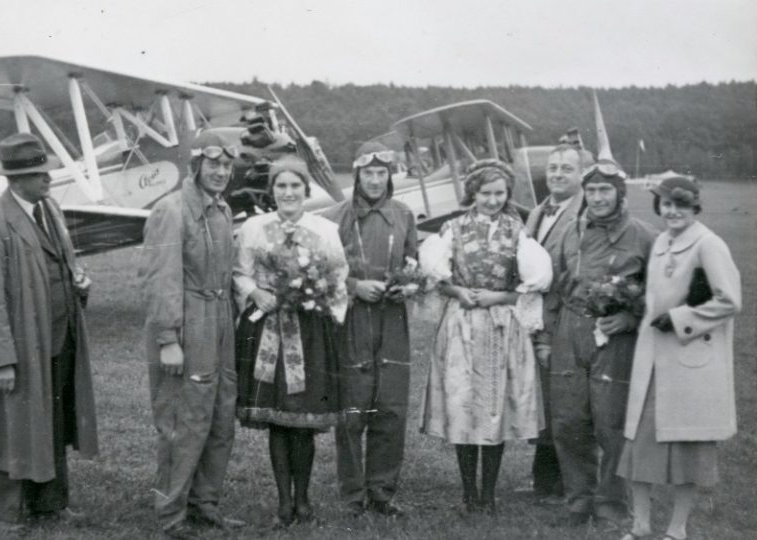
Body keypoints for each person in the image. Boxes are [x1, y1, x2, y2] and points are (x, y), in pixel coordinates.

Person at [0, 133, 98, 528]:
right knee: (14, 426)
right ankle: (10, 511)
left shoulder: (49, 209)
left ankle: (51, 503)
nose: (49, 179)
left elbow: (59, 264)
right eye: (40, 173)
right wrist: (0, 360)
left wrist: (78, 283)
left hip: (60, 340)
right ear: (17, 178)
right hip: (22, 347)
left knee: (54, 421)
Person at [418, 159, 552, 514]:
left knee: (493, 407)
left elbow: (532, 283)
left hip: (500, 324)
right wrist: (457, 291)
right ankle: (468, 493)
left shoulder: (517, 231)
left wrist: (500, 297)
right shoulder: (453, 228)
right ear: (472, 193)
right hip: (461, 322)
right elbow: (434, 276)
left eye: (499, 193)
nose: (492, 200)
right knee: (464, 403)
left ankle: (489, 494)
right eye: (485, 193)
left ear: (508, 194)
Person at [616, 177, 741, 540]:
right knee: (639, 443)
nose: (672, 212)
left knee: (688, 449)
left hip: (690, 362)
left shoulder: (708, 244)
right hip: (652, 359)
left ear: (695, 207)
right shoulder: (661, 243)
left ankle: (677, 528)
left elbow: (730, 300)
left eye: (680, 205)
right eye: (666, 205)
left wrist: (681, 319)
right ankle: (639, 526)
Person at [234, 156, 348, 526]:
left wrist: (322, 304)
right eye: (281, 186)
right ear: (272, 191)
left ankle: (304, 499)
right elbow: (240, 273)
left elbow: (338, 276)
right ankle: (285, 501)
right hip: (267, 327)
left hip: (310, 332)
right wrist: (254, 293)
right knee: (279, 421)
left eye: (294, 186)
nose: (288, 193)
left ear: (305, 189)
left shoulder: (324, 230)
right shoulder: (253, 228)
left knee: (302, 418)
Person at [141, 131, 245, 539]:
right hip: (188, 320)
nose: (221, 172)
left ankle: (206, 504)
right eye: (214, 164)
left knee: (220, 414)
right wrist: (168, 340)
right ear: (196, 165)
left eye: (227, 166)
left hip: (221, 320)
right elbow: (159, 279)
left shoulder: (222, 211)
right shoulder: (171, 209)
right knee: (184, 419)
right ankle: (171, 512)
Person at [548, 159, 656, 527]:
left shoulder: (644, 235)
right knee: (567, 420)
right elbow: (553, 284)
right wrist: (546, 337)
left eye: (605, 190)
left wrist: (630, 318)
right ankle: (578, 501)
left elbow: (663, 295)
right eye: (591, 190)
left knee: (610, 423)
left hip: (615, 337)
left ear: (620, 192)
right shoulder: (570, 231)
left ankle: (611, 504)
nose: (596, 198)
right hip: (569, 329)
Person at [325, 142, 417, 517]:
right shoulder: (337, 216)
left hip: (392, 318)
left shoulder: (404, 214)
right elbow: (324, 272)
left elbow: (415, 263)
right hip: (352, 320)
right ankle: (352, 494)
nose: (376, 181)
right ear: (357, 175)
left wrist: (408, 285)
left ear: (389, 176)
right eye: (368, 174)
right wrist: (354, 287)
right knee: (353, 407)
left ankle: (382, 491)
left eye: (382, 173)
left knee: (391, 406)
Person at [522, 143, 589, 503]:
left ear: (581, 175)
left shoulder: (582, 215)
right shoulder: (537, 211)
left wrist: (548, 328)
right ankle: (544, 478)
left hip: (563, 320)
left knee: (566, 402)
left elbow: (571, 277)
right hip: (538, 318)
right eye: (552, 168)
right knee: (544, 399)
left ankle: (566, 482)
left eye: (566, 168)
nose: (558, 175)